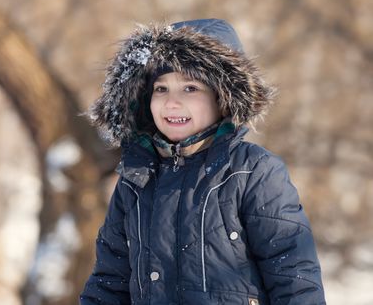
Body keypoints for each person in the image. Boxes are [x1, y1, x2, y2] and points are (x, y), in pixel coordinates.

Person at [80, 19, 326, 305]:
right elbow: (109, 283)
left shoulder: (252, 171)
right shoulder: (136, 179)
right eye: (161, 89)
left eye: (190, 88)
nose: (172, 103)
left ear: (222, 97)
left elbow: (294, 278)